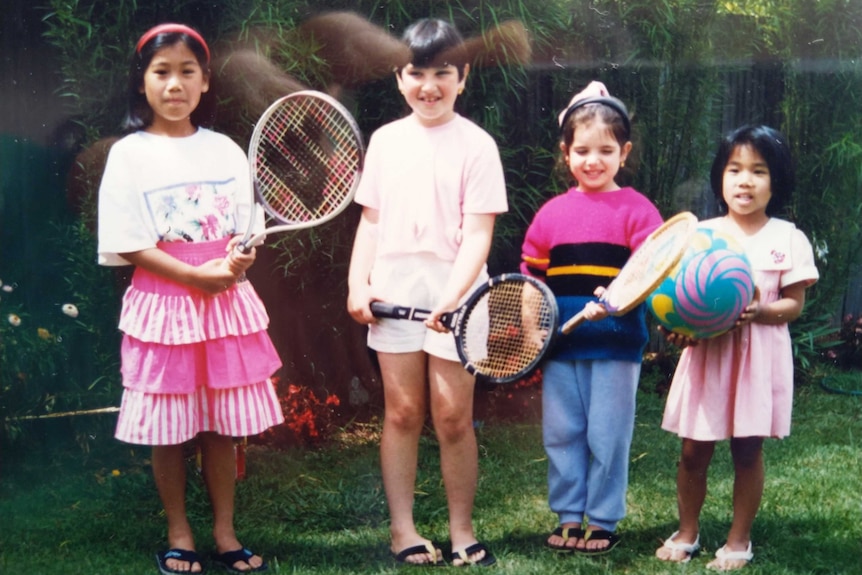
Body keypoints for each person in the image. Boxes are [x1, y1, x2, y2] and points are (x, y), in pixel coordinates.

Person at [97, 23, 283, 575]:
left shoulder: (224, 149)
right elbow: (128, 241)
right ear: (142, 84)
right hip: (165, 304)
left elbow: (244, 229)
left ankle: (225, 532)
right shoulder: (128, 155)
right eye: (162, 73)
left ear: (204, 84)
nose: (174, 84)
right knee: (170, 425)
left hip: (224, 304)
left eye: (187, 73)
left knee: (221, 424)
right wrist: (194, 276)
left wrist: (237, 261)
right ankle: (180, 531)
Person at [346, 18, 507, 567]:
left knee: (454, 417)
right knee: (402, 413)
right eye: (417, 73)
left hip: (457, 300)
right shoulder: (386, 142)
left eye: (443, 73)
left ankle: (462, 532)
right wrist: (358, 284)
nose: (429, 85)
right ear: (398, 77)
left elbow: (479, 233)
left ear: (462, 78)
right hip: (393, 296)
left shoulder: (478, 146)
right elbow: (370, 221)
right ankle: (403, 530)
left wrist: (452, 298)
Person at [654, 125, 818, 570]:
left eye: (758, 171)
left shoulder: (787, 238)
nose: (745, 181)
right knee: (693, 450)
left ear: (775, 182)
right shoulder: (700, 235)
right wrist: (680, 329)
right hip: (708, 357)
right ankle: (687, 531)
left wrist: (759, 312)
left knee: (747, 450)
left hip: (756, 360)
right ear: (719, 177)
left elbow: (794, 304)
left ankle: (738, 538)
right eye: (735, 169)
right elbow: (677, 297)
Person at [520, 81, 663, 554]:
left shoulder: (637, 210)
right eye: (582, 150)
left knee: (608, 434)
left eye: (605, 150)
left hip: (616, 345)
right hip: (561, 346)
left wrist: (620, 295)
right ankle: (567, 515)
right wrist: (531, 325)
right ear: (566, 153)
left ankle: (601, 518)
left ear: (624, 152)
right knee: (562, 433)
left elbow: (653, 270)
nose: (593, 160)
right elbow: (531, 275)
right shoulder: (550, 214)